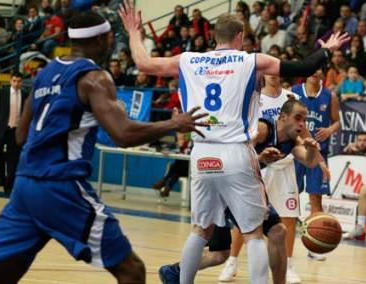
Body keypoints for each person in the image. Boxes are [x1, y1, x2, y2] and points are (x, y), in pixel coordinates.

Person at [0, 11, 207, 284]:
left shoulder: (45, 73)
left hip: (25, 186)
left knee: (2, 277)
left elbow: (21, 137)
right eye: (110, 37)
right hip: (61, 185)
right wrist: (173, 123)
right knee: (132, 271)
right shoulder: (95, 78)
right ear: (102, 39)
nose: (112, 42)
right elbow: (124, 134)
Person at [119, 1, 348, 282]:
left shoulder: (188, 59)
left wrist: (133, 31)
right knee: (253, 234)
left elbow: (143, 63)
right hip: (236, 150)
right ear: (240, 37)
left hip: (201, 153)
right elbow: (303, 66)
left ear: (216, 36)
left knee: (200, 230)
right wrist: (327, 49)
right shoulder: (251, 61)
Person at [158, 99, 323, 284]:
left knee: (223, 253)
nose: (302, 123)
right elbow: (236, 153)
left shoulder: (291, 140)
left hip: (238, 186)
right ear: (283, 117)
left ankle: (175, 272)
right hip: (229, 184)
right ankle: (179, 274)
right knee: (257, 235)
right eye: (298, 118)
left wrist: (312, 148)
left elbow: (310, 161)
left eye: (304, 119)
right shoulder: (263, 129)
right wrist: (260, 158)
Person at [292, 68, 341, 261]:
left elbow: (337, 122)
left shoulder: (330, 95)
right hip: (296, 151)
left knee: (316, 200)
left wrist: (329, 130)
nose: (315, 72)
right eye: (312, 68)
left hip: (319, 153)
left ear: (323, 73)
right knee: (289, 196)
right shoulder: (294, 92)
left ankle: (314, 245)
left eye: (319, 70)